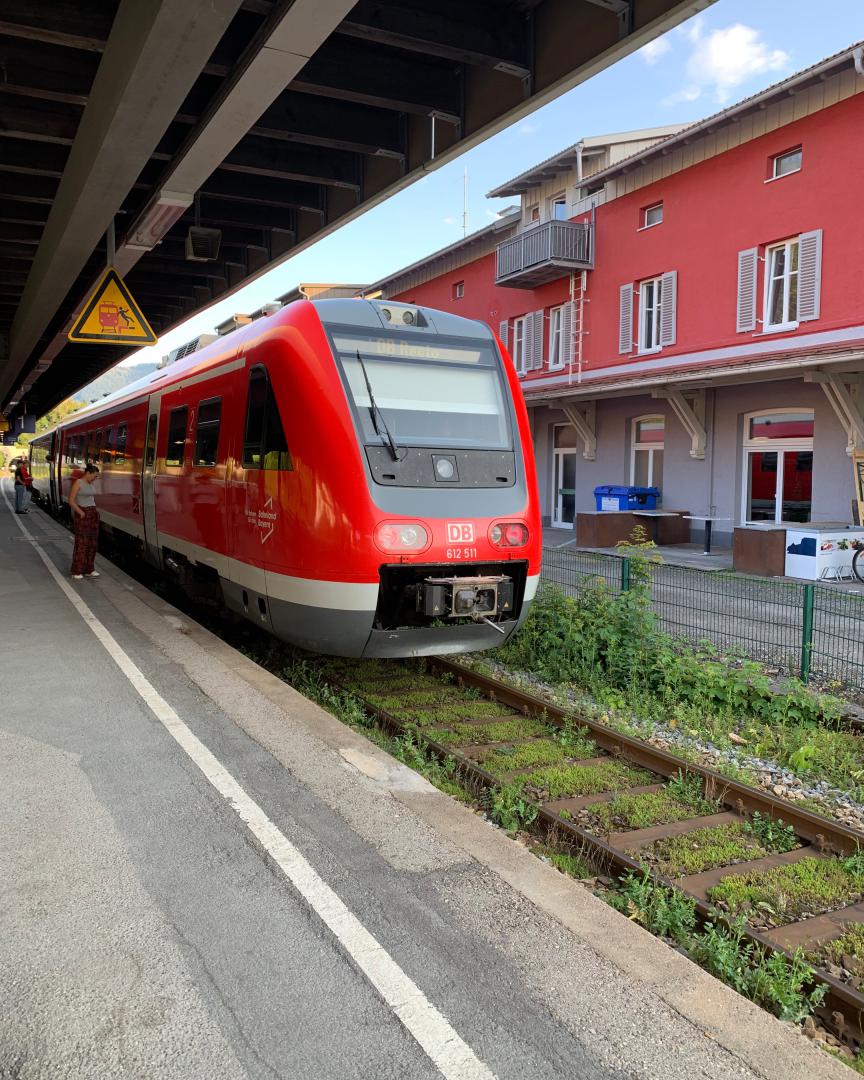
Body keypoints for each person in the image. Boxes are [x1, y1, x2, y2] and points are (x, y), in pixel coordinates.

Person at [69, 464, 101, 579]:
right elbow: (71, 501)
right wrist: (81, 512)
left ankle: (89, 569)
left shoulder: (90, 483)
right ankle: (76, 570)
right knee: (82, 543)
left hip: (92, 513)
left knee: (92, 543)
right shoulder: (78, 483)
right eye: (94, 475)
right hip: (83, 513)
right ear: (88, 473)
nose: (95, 478)